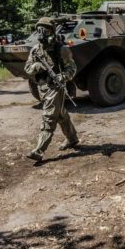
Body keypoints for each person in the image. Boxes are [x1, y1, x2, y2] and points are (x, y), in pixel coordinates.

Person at [24, 17, 79, 162]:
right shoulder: (36, 50)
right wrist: (38, 66)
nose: (42, 34)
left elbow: (72, 68)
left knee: (49, 117)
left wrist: (63, 76)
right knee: (60, 114)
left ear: (52, 32)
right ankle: (72, 139)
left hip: (56, 87)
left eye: (45, 31)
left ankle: (39, 150)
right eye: (39, 31)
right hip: (42, 88)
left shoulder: (61, 49)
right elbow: (27, 69)